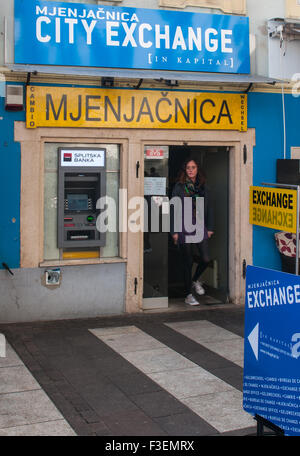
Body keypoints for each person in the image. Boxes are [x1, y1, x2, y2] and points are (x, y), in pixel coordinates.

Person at [171, 157, 214, 306]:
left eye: (193, 167)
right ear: (185, 170)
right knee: (187, 262)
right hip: (183, 226)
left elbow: (209, 208)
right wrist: (174, 231)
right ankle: (188, 294)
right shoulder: (179, 187)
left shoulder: (203, 187)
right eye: (188, 167)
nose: (190, 170)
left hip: (199, 225)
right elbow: (173, 209)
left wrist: (210, 228)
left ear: (197, 170)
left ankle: (195, 280)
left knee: (206, 259)